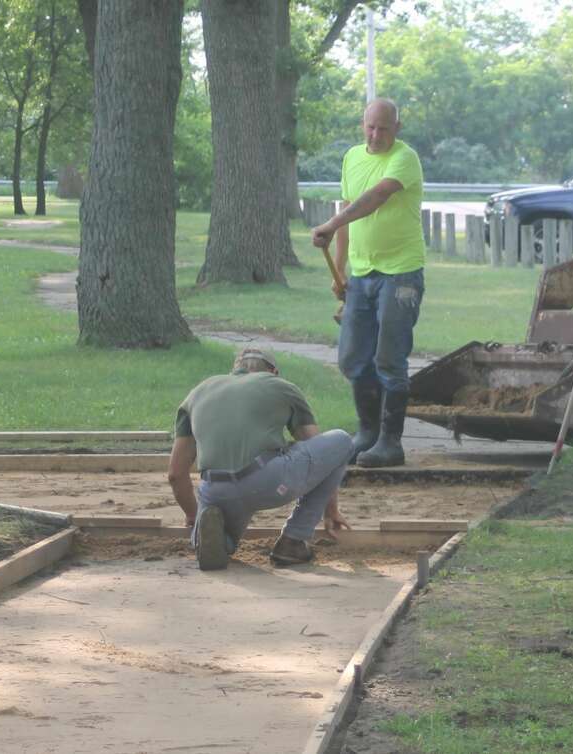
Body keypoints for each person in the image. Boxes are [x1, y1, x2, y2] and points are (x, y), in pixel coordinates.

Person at [312, 97, 426, 469]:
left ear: (398, 128)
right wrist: (341, 269)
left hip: (401, 273)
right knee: (351, 357)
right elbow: (345, 215)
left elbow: (375, 198)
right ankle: (367, 434)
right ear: (363, 124)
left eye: (384, 128)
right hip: (362, 274)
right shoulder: (351, 157)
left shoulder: (404, 158)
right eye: (370, 127)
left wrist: (330, 225)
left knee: (389, 358)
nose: (376, 135)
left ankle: (391, 442)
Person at [167, 347, 352, 571]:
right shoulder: (281, 387)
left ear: (234, 370)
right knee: (340, 441)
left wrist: (193, 514)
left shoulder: (197, 393)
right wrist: (330, 510)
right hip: (267, 482)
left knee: (219, 533)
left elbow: (176, 474)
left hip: (216, 490)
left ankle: (211, 536)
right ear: (273, 371)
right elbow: (321, 453)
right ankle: (294, 540)